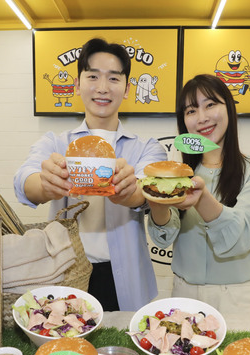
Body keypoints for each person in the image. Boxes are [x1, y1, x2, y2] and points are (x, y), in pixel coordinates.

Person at [14, 38, 166, 311]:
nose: (103, 87)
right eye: (93, 76)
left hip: (127, 278)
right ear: (77, 85)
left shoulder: (147, 148)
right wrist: (46, 184)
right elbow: (24, 179)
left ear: (127, 89)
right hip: (66, 271)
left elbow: (145, 192)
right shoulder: (55, 143)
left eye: (113, 78)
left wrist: (128, 190)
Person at [146, 74, 250, 314]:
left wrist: (202, 198)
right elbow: (163, 238)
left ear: (229, 108)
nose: (202, 118)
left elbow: (240, 237)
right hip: (184, 292)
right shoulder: (180, 175)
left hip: (238, 298)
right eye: (191, 111)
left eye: (210, 105)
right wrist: (158, 203)